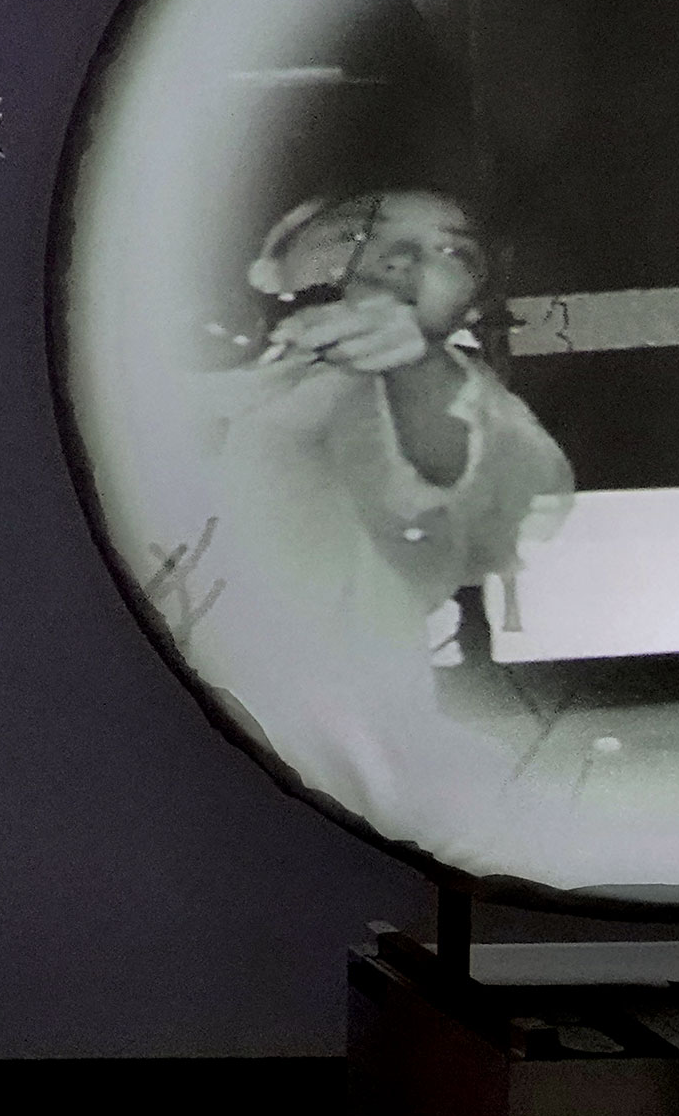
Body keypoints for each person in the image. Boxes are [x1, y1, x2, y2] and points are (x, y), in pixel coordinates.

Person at [197, 189, 573, 824]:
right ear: (266, 269)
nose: (399, 257)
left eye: (451, 252)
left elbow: (507, 481)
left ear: (471, 309)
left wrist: (417, 370)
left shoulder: (434, 392)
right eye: (353, 233)